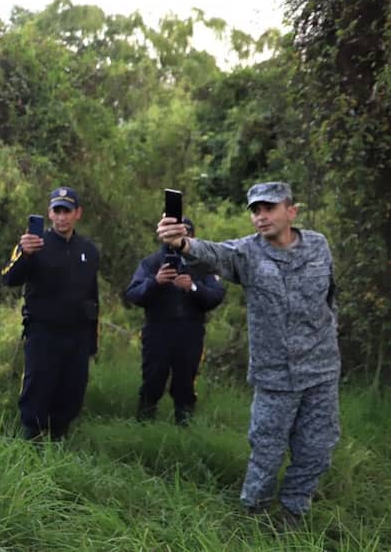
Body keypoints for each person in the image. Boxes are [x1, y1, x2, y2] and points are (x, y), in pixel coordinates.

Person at [156, 181, 339, 521]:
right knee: (267, 452)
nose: (261, 216)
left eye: (269, 207)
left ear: (291, 211)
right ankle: (253, 515)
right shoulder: (246, 254)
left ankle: (292, 514)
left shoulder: (318, 245)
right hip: (275, 376)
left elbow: (330, 298)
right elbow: (212, 251)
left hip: (321, 372)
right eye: (255, 210)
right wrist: (180, 241)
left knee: (317, 450)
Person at [1, 187, 100, 441]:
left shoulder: (88, 250)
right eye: (57, 211)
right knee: (38, 392)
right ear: (49, 213)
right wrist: (25, 254)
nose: (62, 217)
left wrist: (92, 342)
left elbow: (93, 297)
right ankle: (30, 447)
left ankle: (58, 444)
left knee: (71, 393)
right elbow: (9, 278)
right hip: (43, 334)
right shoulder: (33, 245)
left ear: (78, 213)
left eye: (67, 211)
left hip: (77, 336)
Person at [125, 217, 225, 425]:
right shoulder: (151, 262)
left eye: (186, 233)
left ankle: (185, 429)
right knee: (153, 380)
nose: (180, 237)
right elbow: (133, 294)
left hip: (190, 332)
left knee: (185, 384)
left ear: (192, 237)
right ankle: (144, 426)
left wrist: (193, 288)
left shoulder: (202, 265)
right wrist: (156, 282)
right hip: (157, 331)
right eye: (175, 232)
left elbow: (216, 296)